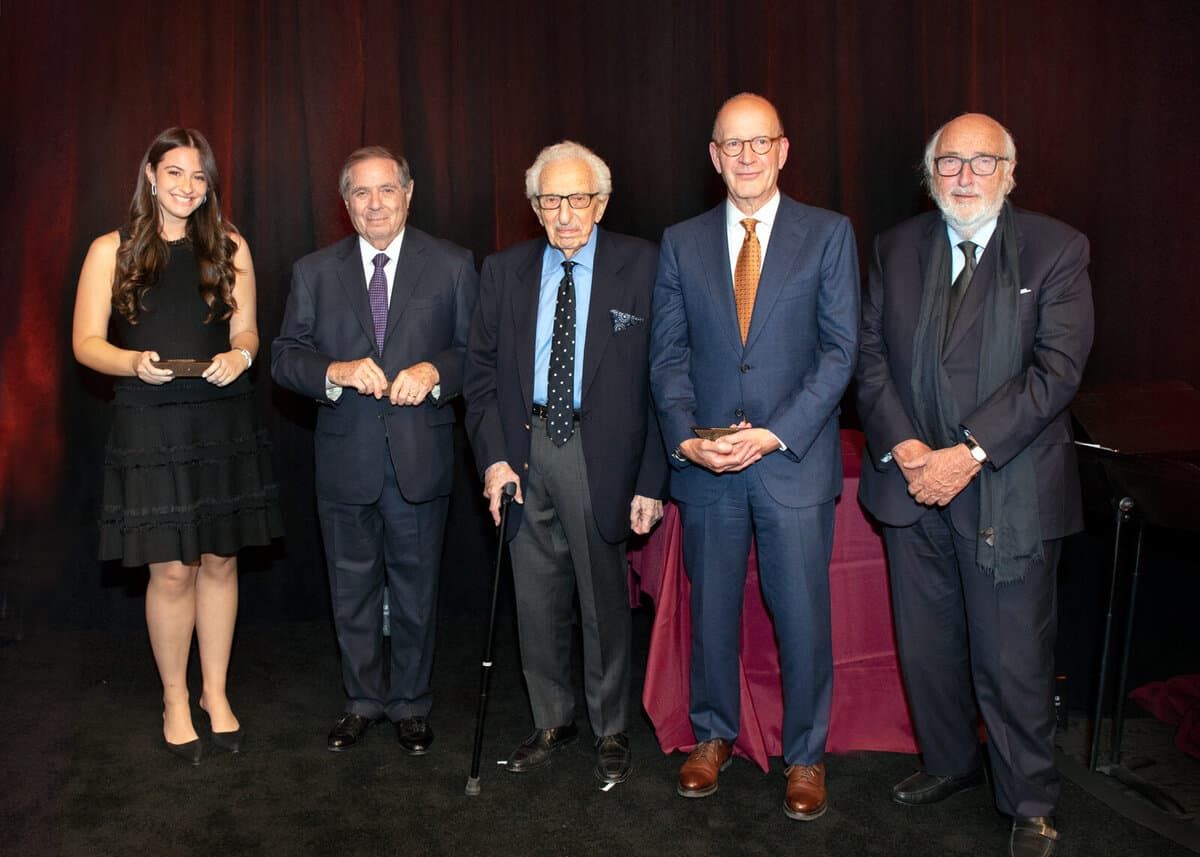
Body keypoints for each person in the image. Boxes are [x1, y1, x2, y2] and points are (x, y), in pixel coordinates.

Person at [855, 113, 1094, 857]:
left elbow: (1056, 372)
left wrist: (967, 452)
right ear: (931, 174)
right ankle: (951, 761)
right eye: (949, 162)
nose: (964, 176)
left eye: (981, 161)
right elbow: (867, 357)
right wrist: (908, 446)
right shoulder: (895, 247)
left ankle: (1029, 798)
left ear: (1010, 171)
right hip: (910, 479)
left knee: (1011, 652)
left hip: (1007, 485)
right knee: (927, 647)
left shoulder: (1057, 249)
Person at [648, 93, 860, 818]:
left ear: (783, 149)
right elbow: (668, 356)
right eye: (731, 145)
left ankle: (806, 754)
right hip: (706, 467)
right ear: (713, 155)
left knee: (801, 614)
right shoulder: (680, 240)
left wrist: (773, 432)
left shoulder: (829, 235)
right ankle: (711, 736)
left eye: (758, 143)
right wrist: (685, 437)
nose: (746, 157)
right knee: (709, 611)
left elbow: (840, 353)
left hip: (790, 460)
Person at [72, 127, 282, 764]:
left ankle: (215, 694)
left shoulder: (231, 245)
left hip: (221, 419)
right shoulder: (111, 250)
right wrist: (132, 362)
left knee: (220, 560)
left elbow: (247, 329)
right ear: (150, 176)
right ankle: (173, 697)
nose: (188, 187)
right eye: (176, 173)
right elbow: (85, 343)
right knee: (170, 569)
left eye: (199, 177)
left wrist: (242, 356)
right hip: (150, 424)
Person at [464, 141, 667, 785]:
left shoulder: (644, 265)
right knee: (535, 595)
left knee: (603, 598)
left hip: (600, 450)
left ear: (601, 203)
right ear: (535, 207)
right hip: (526, 448)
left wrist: (651, 480)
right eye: (551, 200)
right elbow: (480, 379)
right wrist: (494, 461)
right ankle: (552, 718)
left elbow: (666, 381)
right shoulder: (504, 270)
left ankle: (610, 728)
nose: (566, 213)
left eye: (578, 199)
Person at [272, 146, 477, 755]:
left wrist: (436, 372)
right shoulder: (313, 271)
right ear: (346, 204)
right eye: (361, 193)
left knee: (416, 590)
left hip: (419, 460)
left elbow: (476, 353)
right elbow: (285, 356)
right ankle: (362, 700)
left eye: (387, 189)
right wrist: (333, 368)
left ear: (409, 193)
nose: (375, 203)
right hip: (345, 461)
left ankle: (411, 703)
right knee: (351, 588)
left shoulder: (453, 265)